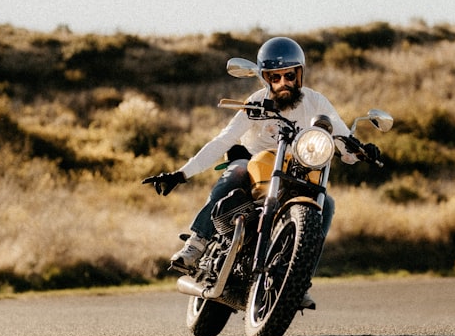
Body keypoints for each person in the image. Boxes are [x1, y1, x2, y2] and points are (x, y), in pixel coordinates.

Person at [143, 37, 378, 309]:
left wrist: (361, 150)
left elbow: (343, 142)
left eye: (289, 75)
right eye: (274, 77)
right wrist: (181, 174)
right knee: (237, 169)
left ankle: (299, 279)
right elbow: (224, 140)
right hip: (256, 165)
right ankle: (197, 242)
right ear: (265, 79)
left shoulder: (316, 102)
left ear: (299, 74)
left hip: (298, 170)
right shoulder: (255, 103)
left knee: (328, 206)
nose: (282, 83)